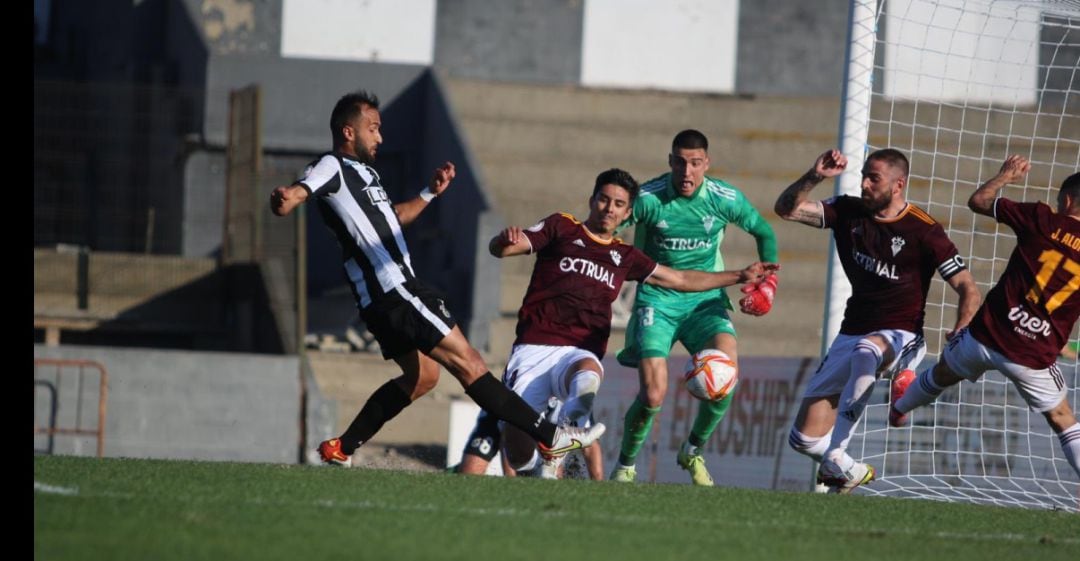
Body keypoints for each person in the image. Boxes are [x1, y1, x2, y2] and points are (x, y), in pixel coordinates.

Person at [269, 90, 605, 467]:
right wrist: (288, 197)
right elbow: (301, 190)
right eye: (374, 129)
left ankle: (341, 448)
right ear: (349, 131)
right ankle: (551, 437)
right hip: (396, 289)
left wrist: (430, 192)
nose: (380, 137)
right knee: (470, 363)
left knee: (423, 377)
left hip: (379, 300)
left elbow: (392, 218)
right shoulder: (332, 165)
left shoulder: (365, 174)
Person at [458, 168, 778, 479]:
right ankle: (549, 448)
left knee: (588, 375)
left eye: (619, 204)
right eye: (604, 199)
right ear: (591, 199)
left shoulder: (625, 256)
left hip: (580, 349)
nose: (609, 209)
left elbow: (679, 278)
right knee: (520, 456)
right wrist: (502, 242)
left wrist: (739, 275)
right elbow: (504, 249)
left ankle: (567, 435)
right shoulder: (561, 227)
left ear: (627, 213)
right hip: (534, 347)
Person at [774, 148, 981, 493]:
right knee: (803, 440)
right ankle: (849, 469)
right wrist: (815, 176)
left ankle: (840, 450)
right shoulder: (847, 211)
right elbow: (786, 210)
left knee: (867, 351)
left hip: (902, 333)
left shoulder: (924, 230)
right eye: (864, 176)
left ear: (898, 184)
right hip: (852, 329)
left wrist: (961, 329)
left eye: (874, 178)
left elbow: (968, 289)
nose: (865, 184)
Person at [889, 158, 1080, 479]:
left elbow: (978, 201)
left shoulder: (1041, 218)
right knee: (1062, 418)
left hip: (987, 334)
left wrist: (1005, 176)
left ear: (1067, 200)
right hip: (1034, 354)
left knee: (941, 374)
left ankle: (899, 409)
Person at [610, 130, 780, 486]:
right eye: (680, 162)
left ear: (707, 163)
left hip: (705, 301)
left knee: (726, 377)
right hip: (657, 299)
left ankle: (692, 450)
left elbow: (764, 232)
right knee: (653, 393)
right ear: (670, 161)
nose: (687, 172)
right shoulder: (649, 198)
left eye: (695, 163)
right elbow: (607, 228)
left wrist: (769, 284)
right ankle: (625, 466)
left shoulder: (723, 197)